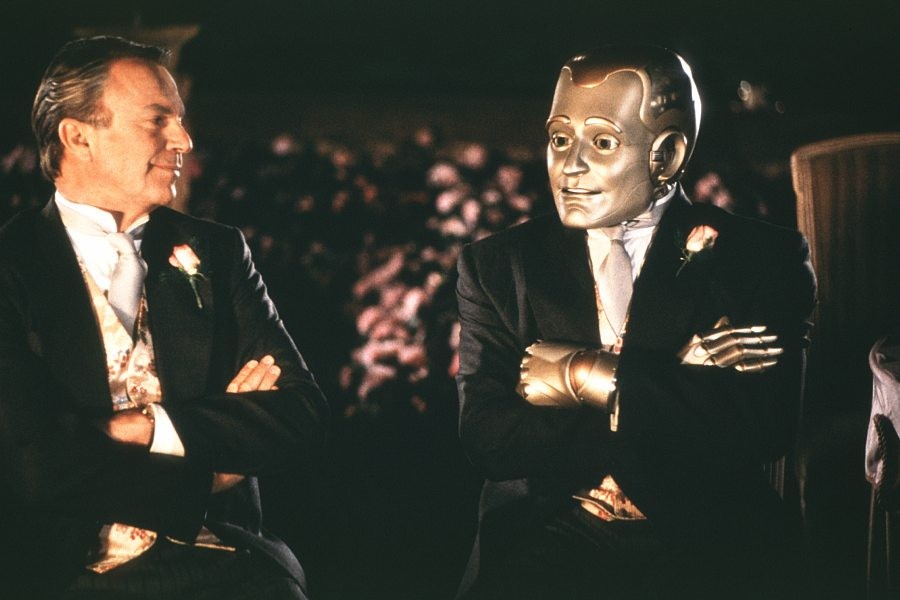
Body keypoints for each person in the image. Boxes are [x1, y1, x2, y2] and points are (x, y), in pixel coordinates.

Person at [455, 45, 816, 599]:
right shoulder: (500, 266)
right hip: (547, 530)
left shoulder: (759, 259)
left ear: (666, 155)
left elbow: (764, 427)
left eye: (602, 142)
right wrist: (676, 379)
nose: (570, 165)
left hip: (704, 538)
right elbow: (488, 438)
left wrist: (591, 377)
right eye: (560, 138)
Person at [0, 36, 328, 599]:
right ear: (78, 136)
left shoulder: (218, 252)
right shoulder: (11, 268)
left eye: (180, 119)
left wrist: (149, 427)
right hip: (69, 576)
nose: (184, 139)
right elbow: (34, 468)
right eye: (158, 120)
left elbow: (300, 413)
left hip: (232, 568)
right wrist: (208, 471)